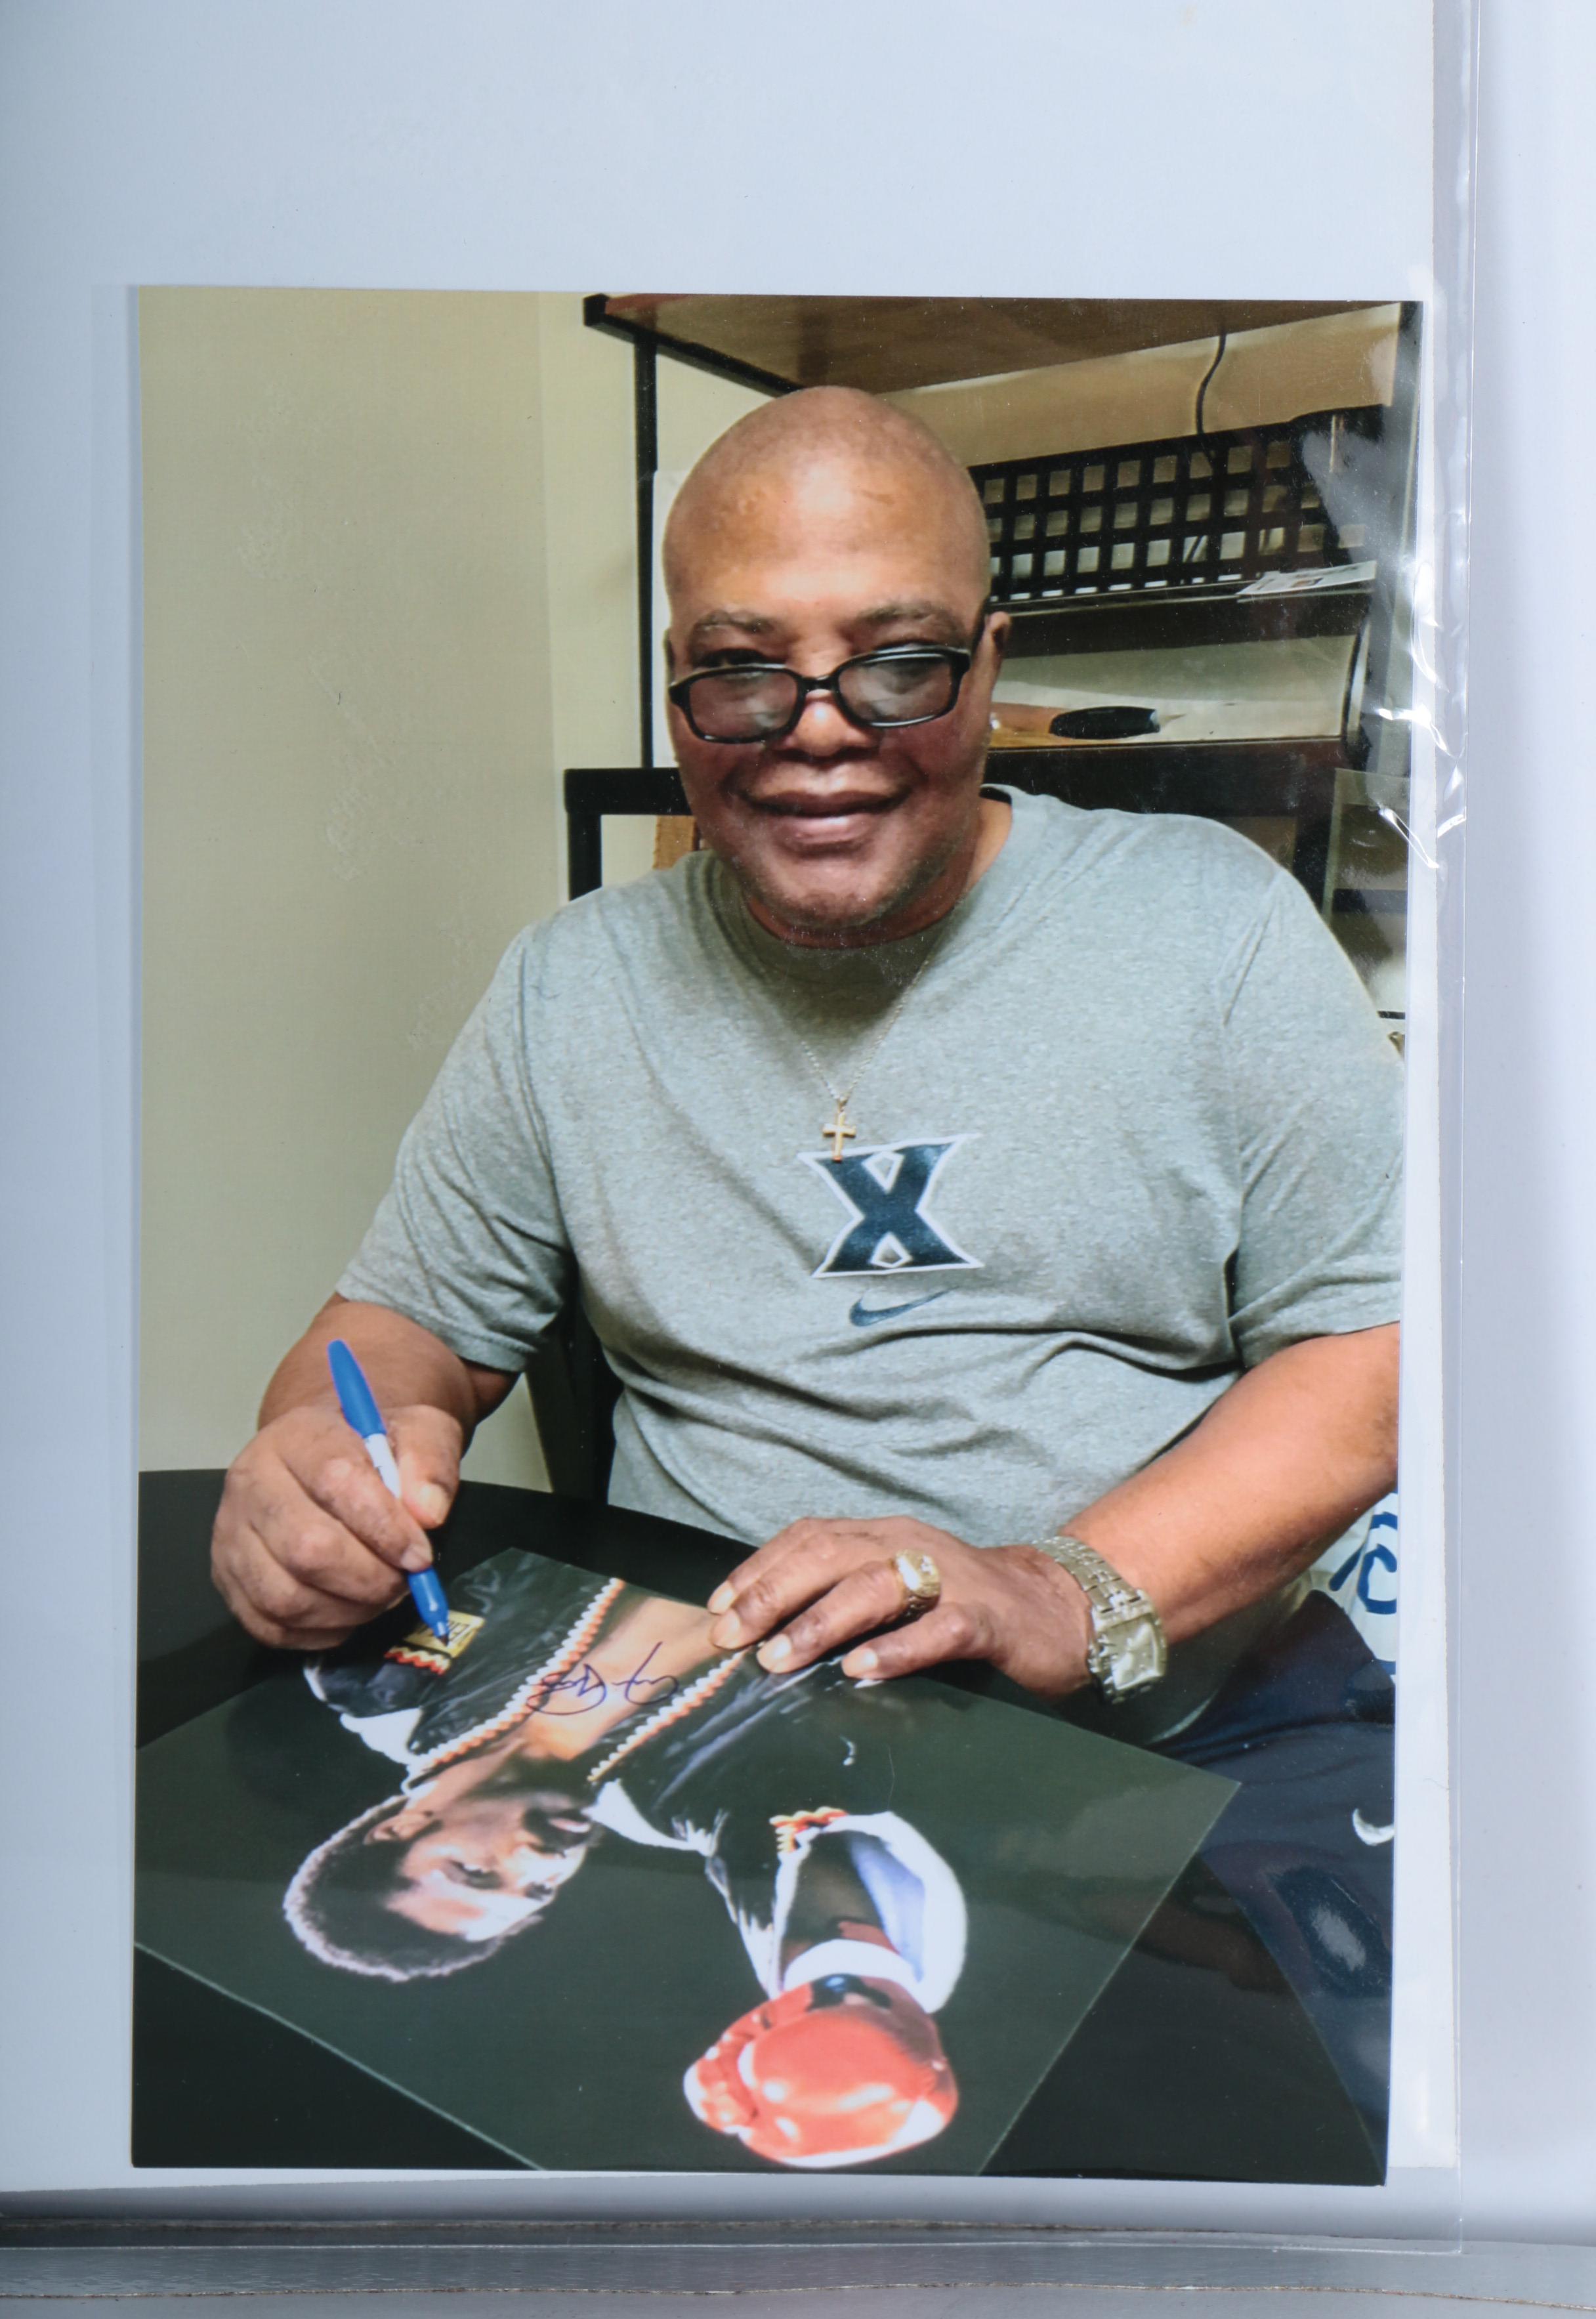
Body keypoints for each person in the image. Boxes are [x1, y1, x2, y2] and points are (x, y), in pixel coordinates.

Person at [213, 385, 1402, 2140]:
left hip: (1187, 1724)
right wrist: (323, 1459)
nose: (819, 733)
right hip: (746, 1703)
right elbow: (402, 1332)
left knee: (1308, 2165)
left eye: (900, 662)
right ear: (681, 689)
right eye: (745, 670)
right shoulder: (570, 987)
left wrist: (1060, 1587)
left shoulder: (1214, 929)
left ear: (988, 666)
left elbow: (1381, 1348)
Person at [284, 1548, 965, 2167]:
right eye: (534, 1893)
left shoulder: (379, 1681)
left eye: (477, 1871)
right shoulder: (678, 1801)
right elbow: (783, 1848)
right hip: (902, 1548)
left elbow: (457, 1549)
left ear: (396, 1831)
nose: (539, 1864)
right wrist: (852, 1993)